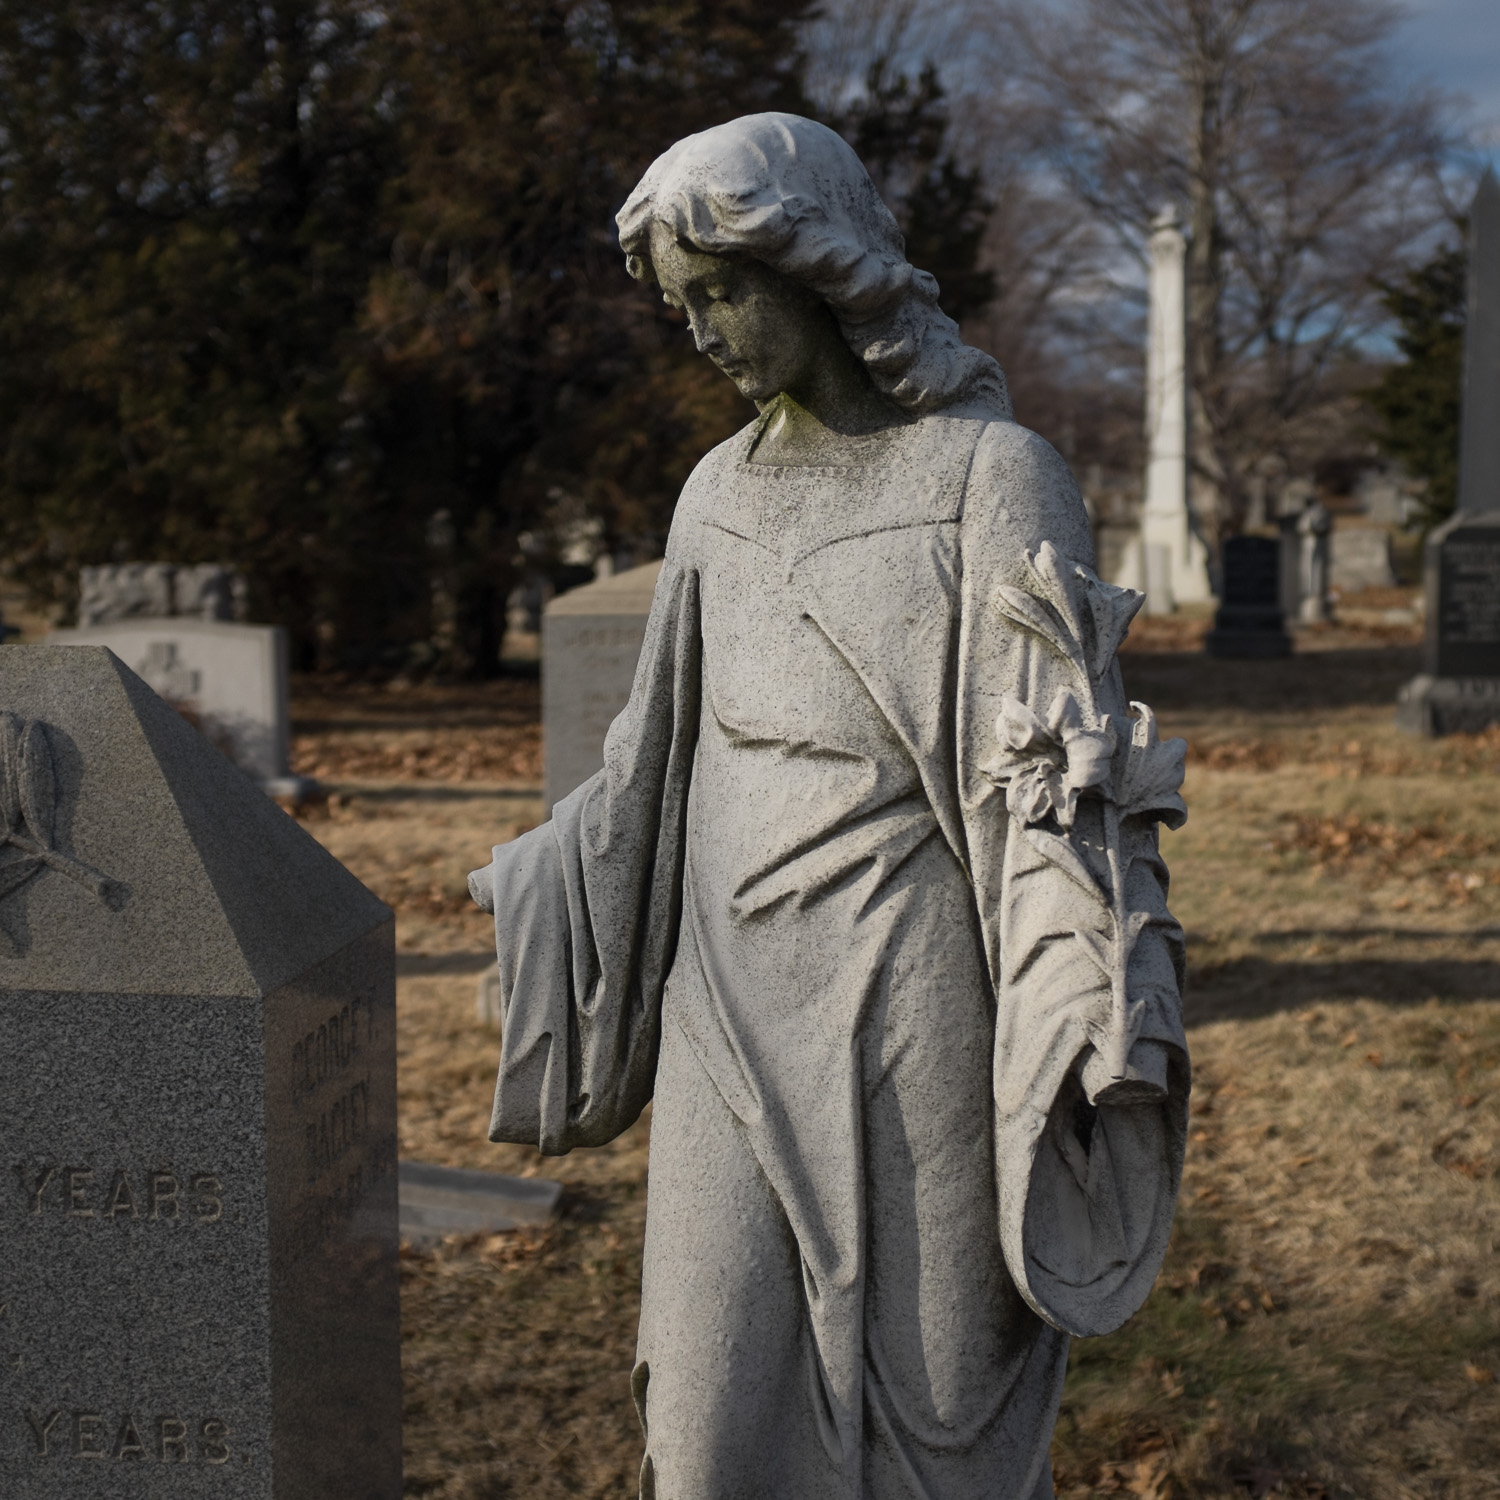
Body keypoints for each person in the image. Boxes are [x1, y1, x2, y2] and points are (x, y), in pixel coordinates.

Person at [469, 112, 1189, 1500]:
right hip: (724, 1006)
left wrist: (1094, 991)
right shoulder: (713, 497)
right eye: (684, 308)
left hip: (912, 1002)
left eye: (724, 291)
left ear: (821, 265)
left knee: (936, 1414)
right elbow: (654, 756)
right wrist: (540, 878)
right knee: (707, 1417)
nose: (705, 335)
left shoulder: (988, 476)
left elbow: (1060, 776)